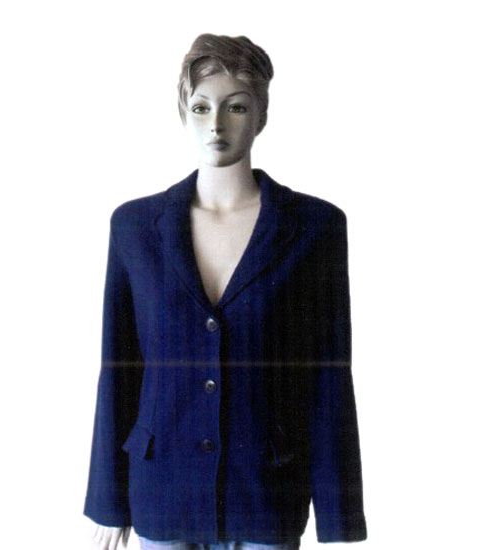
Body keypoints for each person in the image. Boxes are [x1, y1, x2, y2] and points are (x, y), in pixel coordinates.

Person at [84, 34, 367, 550]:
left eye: (236, 106)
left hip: (266, 494)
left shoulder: (315, 227)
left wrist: (338, 517)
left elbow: (328, 377)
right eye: (201, 107)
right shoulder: (135, 227)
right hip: (161, 493)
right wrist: (109, 499)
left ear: (261, 115)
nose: (216, 124)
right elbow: (119, 369)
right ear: (183, 112)